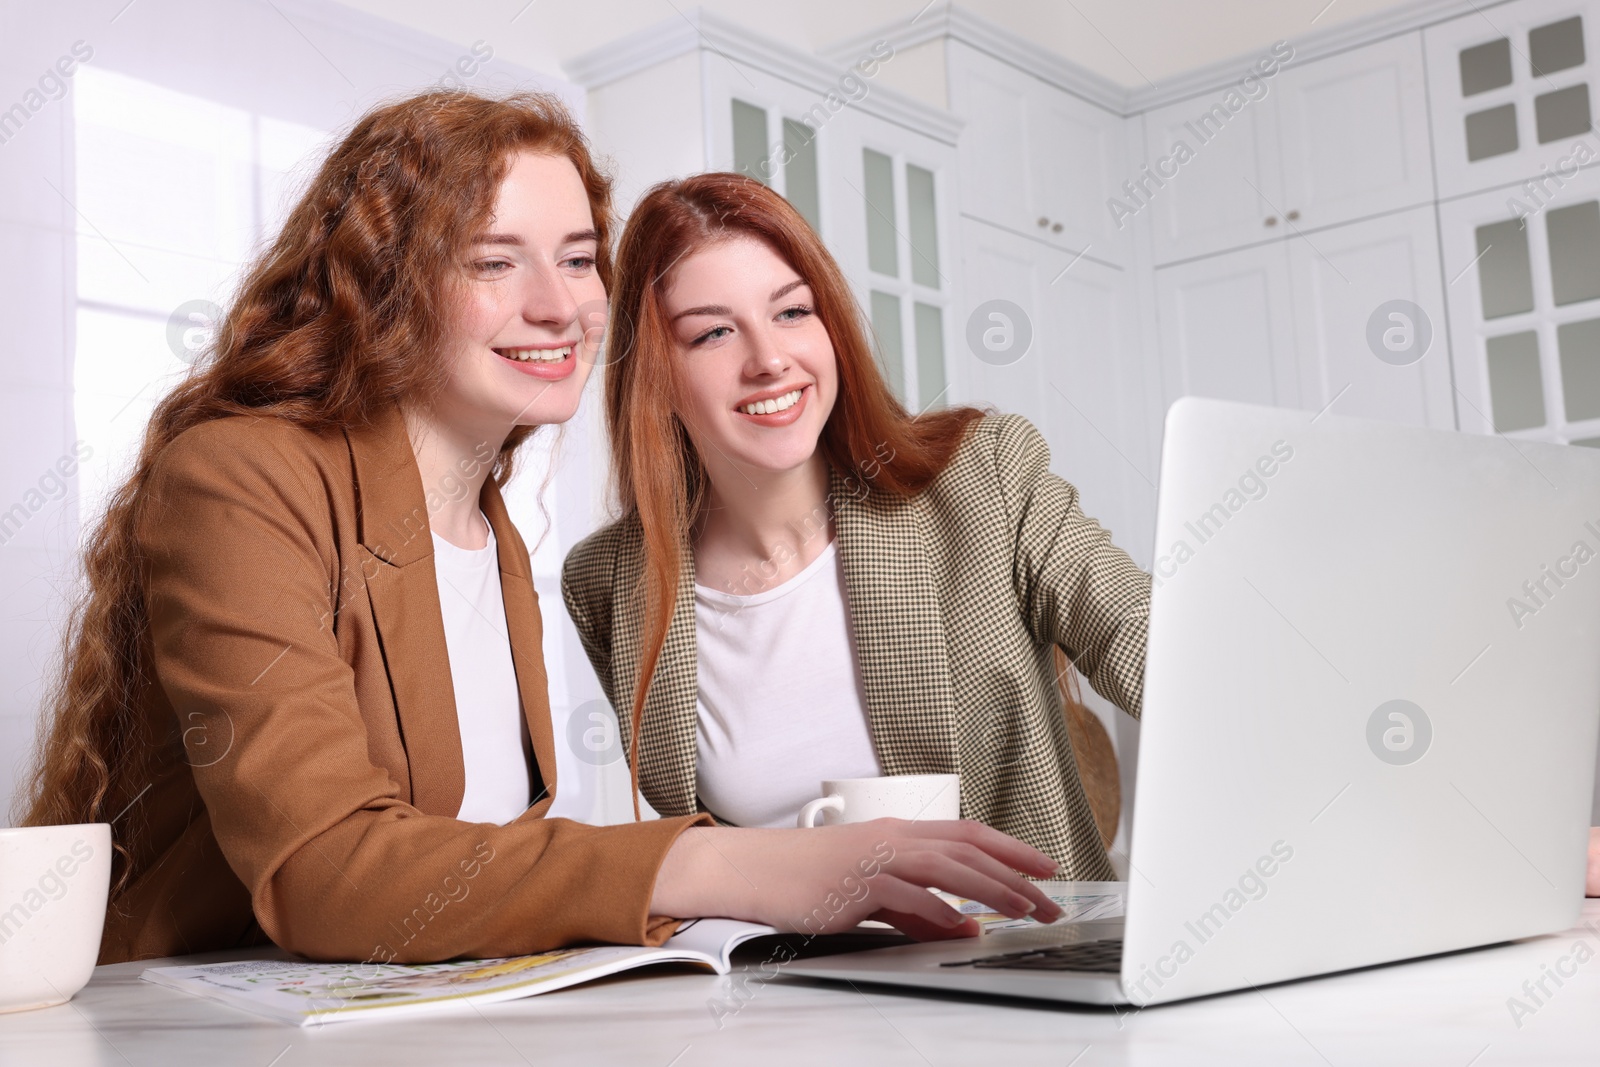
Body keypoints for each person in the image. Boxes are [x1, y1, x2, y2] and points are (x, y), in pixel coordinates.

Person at [17, 91, 1064, 966]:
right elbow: (324, 866)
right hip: (192, 1018)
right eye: (492, 261)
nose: (560, 303)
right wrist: (737, 863)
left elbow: (482, 868)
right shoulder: (239, 474)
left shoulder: (495, 532)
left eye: (576, 259)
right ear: (384, 285)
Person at [561, 172, 1151, 880]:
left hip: (1020, 956)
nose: (769, 359)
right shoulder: (608, 581)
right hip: (787, 981)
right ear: (658, 377)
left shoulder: (982, 475)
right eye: (714, 332)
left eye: (791, 312)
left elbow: (1144, 639)